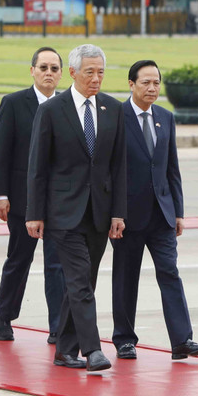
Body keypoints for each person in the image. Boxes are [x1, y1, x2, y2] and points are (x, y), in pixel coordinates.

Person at [26, 44, 126, 373]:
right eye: (89, 72)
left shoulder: (113, 109)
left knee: (82, 282)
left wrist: (118, 213)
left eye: (100, 72)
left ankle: (64, 350)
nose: (96, 78)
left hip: (99, 212)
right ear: (73, 73)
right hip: (62, 212)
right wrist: (34, 213)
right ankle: (92, 350)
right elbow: (38, 165)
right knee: (80, 281)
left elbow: (119, 166)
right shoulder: (53, 110)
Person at [109, 60, 198, 361]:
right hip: (126, 216)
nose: (152, 88)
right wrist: (113, 212)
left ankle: (182, 340)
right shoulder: (116, 116)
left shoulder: (165, 117)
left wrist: (178, 210)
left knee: (170, 273)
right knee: (126, 278)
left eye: (156, 83)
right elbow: (109, 170)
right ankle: (124, 340)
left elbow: (171, 168)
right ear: (131, 84)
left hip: (162, 214)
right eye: (146, 83)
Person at [0, 47, 66, 344]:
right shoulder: (13, 103)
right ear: (32, 70)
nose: (49, 73)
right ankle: (3, 316)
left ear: (62, 73)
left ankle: (58, 327)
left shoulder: (67, 104)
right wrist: (0, 193)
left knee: (57, 265)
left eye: (54, 68)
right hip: (22, 199)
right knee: (19, 260)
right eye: (43, 67)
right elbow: (1, 151)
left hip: (59, 201)